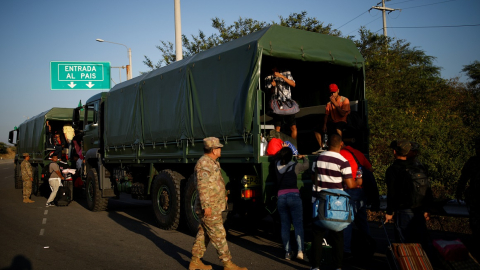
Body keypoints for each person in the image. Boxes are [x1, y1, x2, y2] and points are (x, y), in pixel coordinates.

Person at [189, 137, 247, 270]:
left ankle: (195, 261)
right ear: (213, 150)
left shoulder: (212, 162)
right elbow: (202, 187)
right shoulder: (204, 164)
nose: (220, 149)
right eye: (219, 147)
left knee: (204, 233)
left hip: (214, 205)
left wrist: (222, 195)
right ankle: (228, 264)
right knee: (219, 234)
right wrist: (206, 206)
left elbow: (213, 184)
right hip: (210, 208)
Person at [310, 133, 362, 270]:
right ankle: (338, 266)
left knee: (317, 234)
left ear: (327, 144)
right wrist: (359, 181)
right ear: (341, 144)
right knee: (337, 234)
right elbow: (350, 185)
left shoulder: (318, 158)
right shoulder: (343, 161)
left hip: (320, 200)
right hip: (335, 203)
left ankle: (315, 266)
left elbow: (313, 178)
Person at [384, 140, 433, 245]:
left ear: (394, 152)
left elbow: (391, 192)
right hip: (419, 210)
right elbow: (427, 188)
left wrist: (389, 212)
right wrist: (427, 209)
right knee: (420, 242)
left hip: (403, 210)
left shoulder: (393, 169)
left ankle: (409, 261)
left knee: (405, 243)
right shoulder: (419, 167)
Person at [275, 144, 309, 260]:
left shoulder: (276, 165)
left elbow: (277, 157)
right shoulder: (295, 166)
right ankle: (300, 251)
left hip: (281, 198)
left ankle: (287, 252)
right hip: (294, 196)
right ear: (291, 157)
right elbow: (306, 165)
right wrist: (304, 157)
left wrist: (282, 149)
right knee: (298, 224)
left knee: (285, 226)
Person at [339, 144, 371, 257]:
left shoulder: (341, 154)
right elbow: (370, 168)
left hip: (350, 189)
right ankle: (368, 245)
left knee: (347, 221)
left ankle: (346, 250)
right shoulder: (358, 153)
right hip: (362, 191)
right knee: (362, 220)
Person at [456, 138, 480, 255]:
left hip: (474, 201)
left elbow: (463, 178)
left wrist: (460, 192)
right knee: (475, 226)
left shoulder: (473, 161)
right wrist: (459, 192)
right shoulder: (473, 162)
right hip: (475, 201)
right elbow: (463, 178)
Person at [313, 84, 350, 154]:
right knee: (317, 128)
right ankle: (322, 147)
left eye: (334, 92)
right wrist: (324, 125)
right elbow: (326, 115)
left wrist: (335, 103)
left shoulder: (344, 100)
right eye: (331, 93)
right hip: (333, 122)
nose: (332, 94)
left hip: (344, 121)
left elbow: (342, 114)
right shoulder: (329, 103)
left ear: (338, 91)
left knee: (338, 127)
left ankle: (340, 146)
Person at [265, 65, 297, 140]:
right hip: (277, 105)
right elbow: (267, 92)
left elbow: (293, 84)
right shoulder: (268, 77)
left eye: (275, 67)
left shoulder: (286, 72)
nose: (274, 69)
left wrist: (281, 76)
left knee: (293, 127)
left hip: (287, 103)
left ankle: (294, 148)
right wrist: (273, 86)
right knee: (277, 128)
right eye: (272, 68)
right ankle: (278, 148)